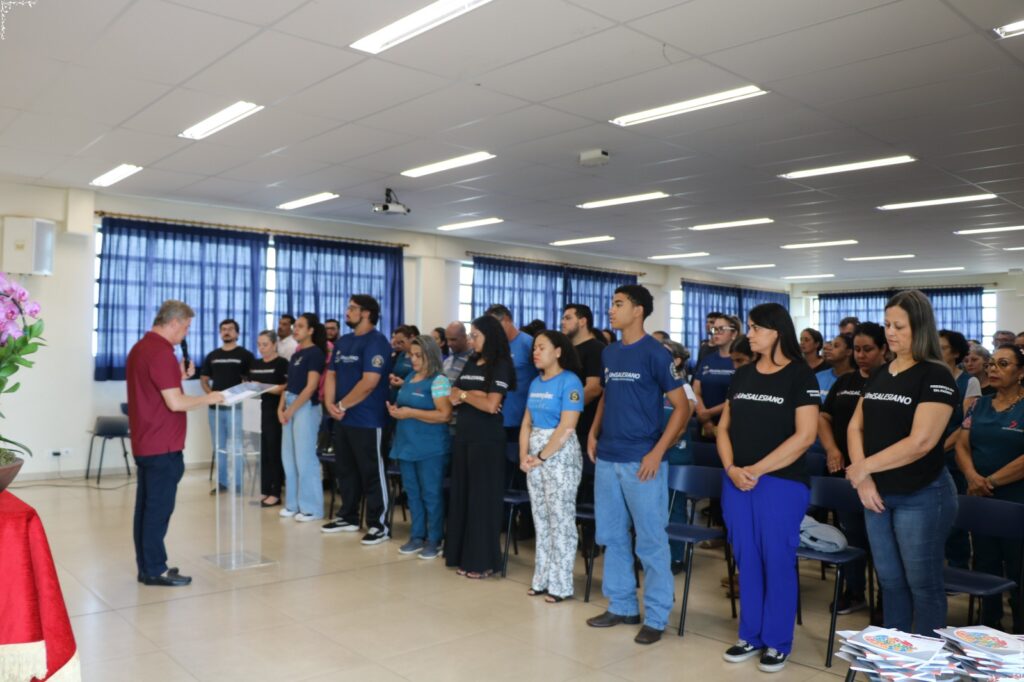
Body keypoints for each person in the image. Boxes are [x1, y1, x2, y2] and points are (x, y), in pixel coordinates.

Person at [846, 290, 959, 635]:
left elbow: (921, 442)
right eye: (887, 325)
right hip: (877, 494)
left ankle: (926, 658)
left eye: (899, 326)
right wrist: (863, 478)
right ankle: (896, 654)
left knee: (922, 583)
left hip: (921, 494)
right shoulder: (882, 372)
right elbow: (855, 426)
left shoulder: (935, 375)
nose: (890, 333)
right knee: (890, 581)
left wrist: (864, 467)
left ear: (920, 328)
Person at [585, 284, 689, 646]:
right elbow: (607, 396)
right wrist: (594, 432)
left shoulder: (656, 353)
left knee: (651, 540)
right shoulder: (610, 352)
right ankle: (623, 605)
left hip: (642, 461)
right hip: (608, 457)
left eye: (618, 304)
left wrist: (658, 452)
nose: (611, 310)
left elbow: (682, 408)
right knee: (611, 536)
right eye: (611, 303)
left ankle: (657, 616)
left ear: (638, 310)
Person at [717, 303, 819, 673]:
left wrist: (756, 470)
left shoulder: (800, 376)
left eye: (755, 327)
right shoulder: (743, 375)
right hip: (737, 481)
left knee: (776, 559)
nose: (749, 334)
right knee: (746, 558)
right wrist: (732, 469)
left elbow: (805, 436)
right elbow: (723, 427)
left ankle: (777, 641)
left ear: (776, 332)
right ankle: (750, 635)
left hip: (781, 482)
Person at [127, 300, 223, 586]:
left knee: (146, 509)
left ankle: (148, 567)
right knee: (158, 511)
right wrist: (210, 397)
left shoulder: (142, 348)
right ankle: (155, 569)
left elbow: (154, 389)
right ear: (173, 323)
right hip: (163, 445)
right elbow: (176, 402)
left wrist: (178, 376)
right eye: (186, 327)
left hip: (147, 441)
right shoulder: (161, 353)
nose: (186, 333)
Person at [818, 322, 888, 616]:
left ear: (884, 349)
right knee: (852, 535)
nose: (861, 355)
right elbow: (824, 418)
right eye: (857, 349)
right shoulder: (845, 381)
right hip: (845, 472)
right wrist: (832, 449)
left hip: (880, 474)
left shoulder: (891, 380)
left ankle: (887, 597)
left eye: (867, 349)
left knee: (882, 542)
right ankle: (855, 590)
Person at [955, 343, 1024, 631]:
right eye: (992, 363)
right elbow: (961, 444)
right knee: (985, 561)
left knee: (1018, 567)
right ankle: (989, 624)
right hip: (979, 497)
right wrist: (972, 477)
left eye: (1003, 364)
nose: (994, 369)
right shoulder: (979, 404)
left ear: (1021, 372)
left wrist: (991, 481)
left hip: (1016, 500)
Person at [446, 314, 514, 579]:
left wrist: (466, 395)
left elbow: (490, 405)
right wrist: (472, 395)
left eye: (475, 336)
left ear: (490, 336)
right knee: (463, 496)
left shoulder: (501, 364)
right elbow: (453, 395)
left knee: (481, 501)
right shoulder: (472, 361)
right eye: (471, 335)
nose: (471, 340)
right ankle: (461, 555)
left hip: (487, 439)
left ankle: (482, 561)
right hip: (464, 435)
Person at [321, 295, 393, 544]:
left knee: (372, 472)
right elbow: (331, 374)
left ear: (366, 313)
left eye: (352, 308)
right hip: (343, 418)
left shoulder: (377, 342)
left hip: (368, 419)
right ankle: (348, 516)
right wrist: (330, 405)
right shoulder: (343, 341)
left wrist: (341, 405)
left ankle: (379, 525)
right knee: (346, 470)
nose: (347, 311)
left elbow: (369, 382)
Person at [520, 330, 584, 602]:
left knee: (561, 520)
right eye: (534, 347)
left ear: (558, 352)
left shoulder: (570, 381)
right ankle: (542, 578)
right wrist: (524, 455)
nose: (536, 352)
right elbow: (526, 423)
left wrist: (542, 456)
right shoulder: (535, 382)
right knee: (541, 518)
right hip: (534, 456)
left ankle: (561, 584)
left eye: (542, 347)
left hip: (559, 456)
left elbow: (568, 425)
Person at [387, 335, 452, 560]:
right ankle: (417, 536)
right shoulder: (410, 377)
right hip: (406, 444)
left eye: (418, 356)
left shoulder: (439, 381)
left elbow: (445, 415)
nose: (413, 360)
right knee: (412, 493)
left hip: (430, 448)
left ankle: (434, 539)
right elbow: (404, 404)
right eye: (411, 355)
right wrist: (396, 410)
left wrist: (410, 413)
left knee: (431, 494)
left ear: (430, 356)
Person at [939, 329, 983, 568]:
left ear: (956, 353)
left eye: (943, 348)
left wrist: (938, 449)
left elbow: (966, 424)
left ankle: (958, 567)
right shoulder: (928, 377)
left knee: (955, 518)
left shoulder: (969, 381)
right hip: (926, 456)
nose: (937, 352)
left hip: (952, 457)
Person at [278, 313, 327, 522]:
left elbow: (311, 387)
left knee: (305, 458)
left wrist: (291, 409)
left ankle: (312, 508)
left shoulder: (315, 353)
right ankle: (293, 504)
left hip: (305, 407)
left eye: (300, 326)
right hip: (290, 404)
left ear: (311, 330)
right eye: (295, 326)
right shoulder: (296, 354)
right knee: (288, 458)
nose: (295, 329)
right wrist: (281, 407)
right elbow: (288, 385)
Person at [485, 305, 538, 485]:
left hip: (521, 419)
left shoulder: (528, 344)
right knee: (498, 473)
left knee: (519, 475)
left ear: (507, 320)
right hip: (496, 417)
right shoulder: (494, 347)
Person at [200, 318, 254, 494]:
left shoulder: (245, 355)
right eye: (223, 329)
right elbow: (204, 379)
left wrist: (240, 396)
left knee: (236, 446)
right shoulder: (213, 355)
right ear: (220, 333)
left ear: (237, 333)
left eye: (230, 329)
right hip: (215, 409)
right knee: (219, 446)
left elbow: (250, 382)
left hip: (236, 408)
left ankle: (238, 484)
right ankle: (222, 482)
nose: (227, 332)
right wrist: (211, 395)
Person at [560, 304, 605, 501]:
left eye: (568, 318)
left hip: (584, 427)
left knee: (582, 488)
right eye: (563, 318)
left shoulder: (596, 349)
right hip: (564, 426)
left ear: (582, 321)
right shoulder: (565, 350)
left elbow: (594, 388)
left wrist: (565, 410)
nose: (562, 322)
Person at [248, 330, 288, 507]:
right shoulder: (255, 364)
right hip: (256, 412)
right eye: (259, 344)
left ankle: (275, 492)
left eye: (265, 344)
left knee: (274, 453)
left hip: (274, 413)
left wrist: (262, 386)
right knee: (261, 454)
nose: (261, 348)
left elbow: (283, 388)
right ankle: (264, 490)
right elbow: (250, 386)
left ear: (274, 344)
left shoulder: (282, 363)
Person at [693, 314, 739, 439]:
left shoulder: (740, 361)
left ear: (734, 334)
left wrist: (708, 413)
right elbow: (696, 391)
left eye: (721, 329)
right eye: (714, 329)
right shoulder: (707, 359)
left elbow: (738, 396)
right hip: (704, 423)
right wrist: (705, 418)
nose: (716, 333)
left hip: (731, 424)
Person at [816, 333, 855, 401]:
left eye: (836, 346)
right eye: (831, 345)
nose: (829, 349)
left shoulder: (858, 379)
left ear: (848, 352)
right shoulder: (818, 377)